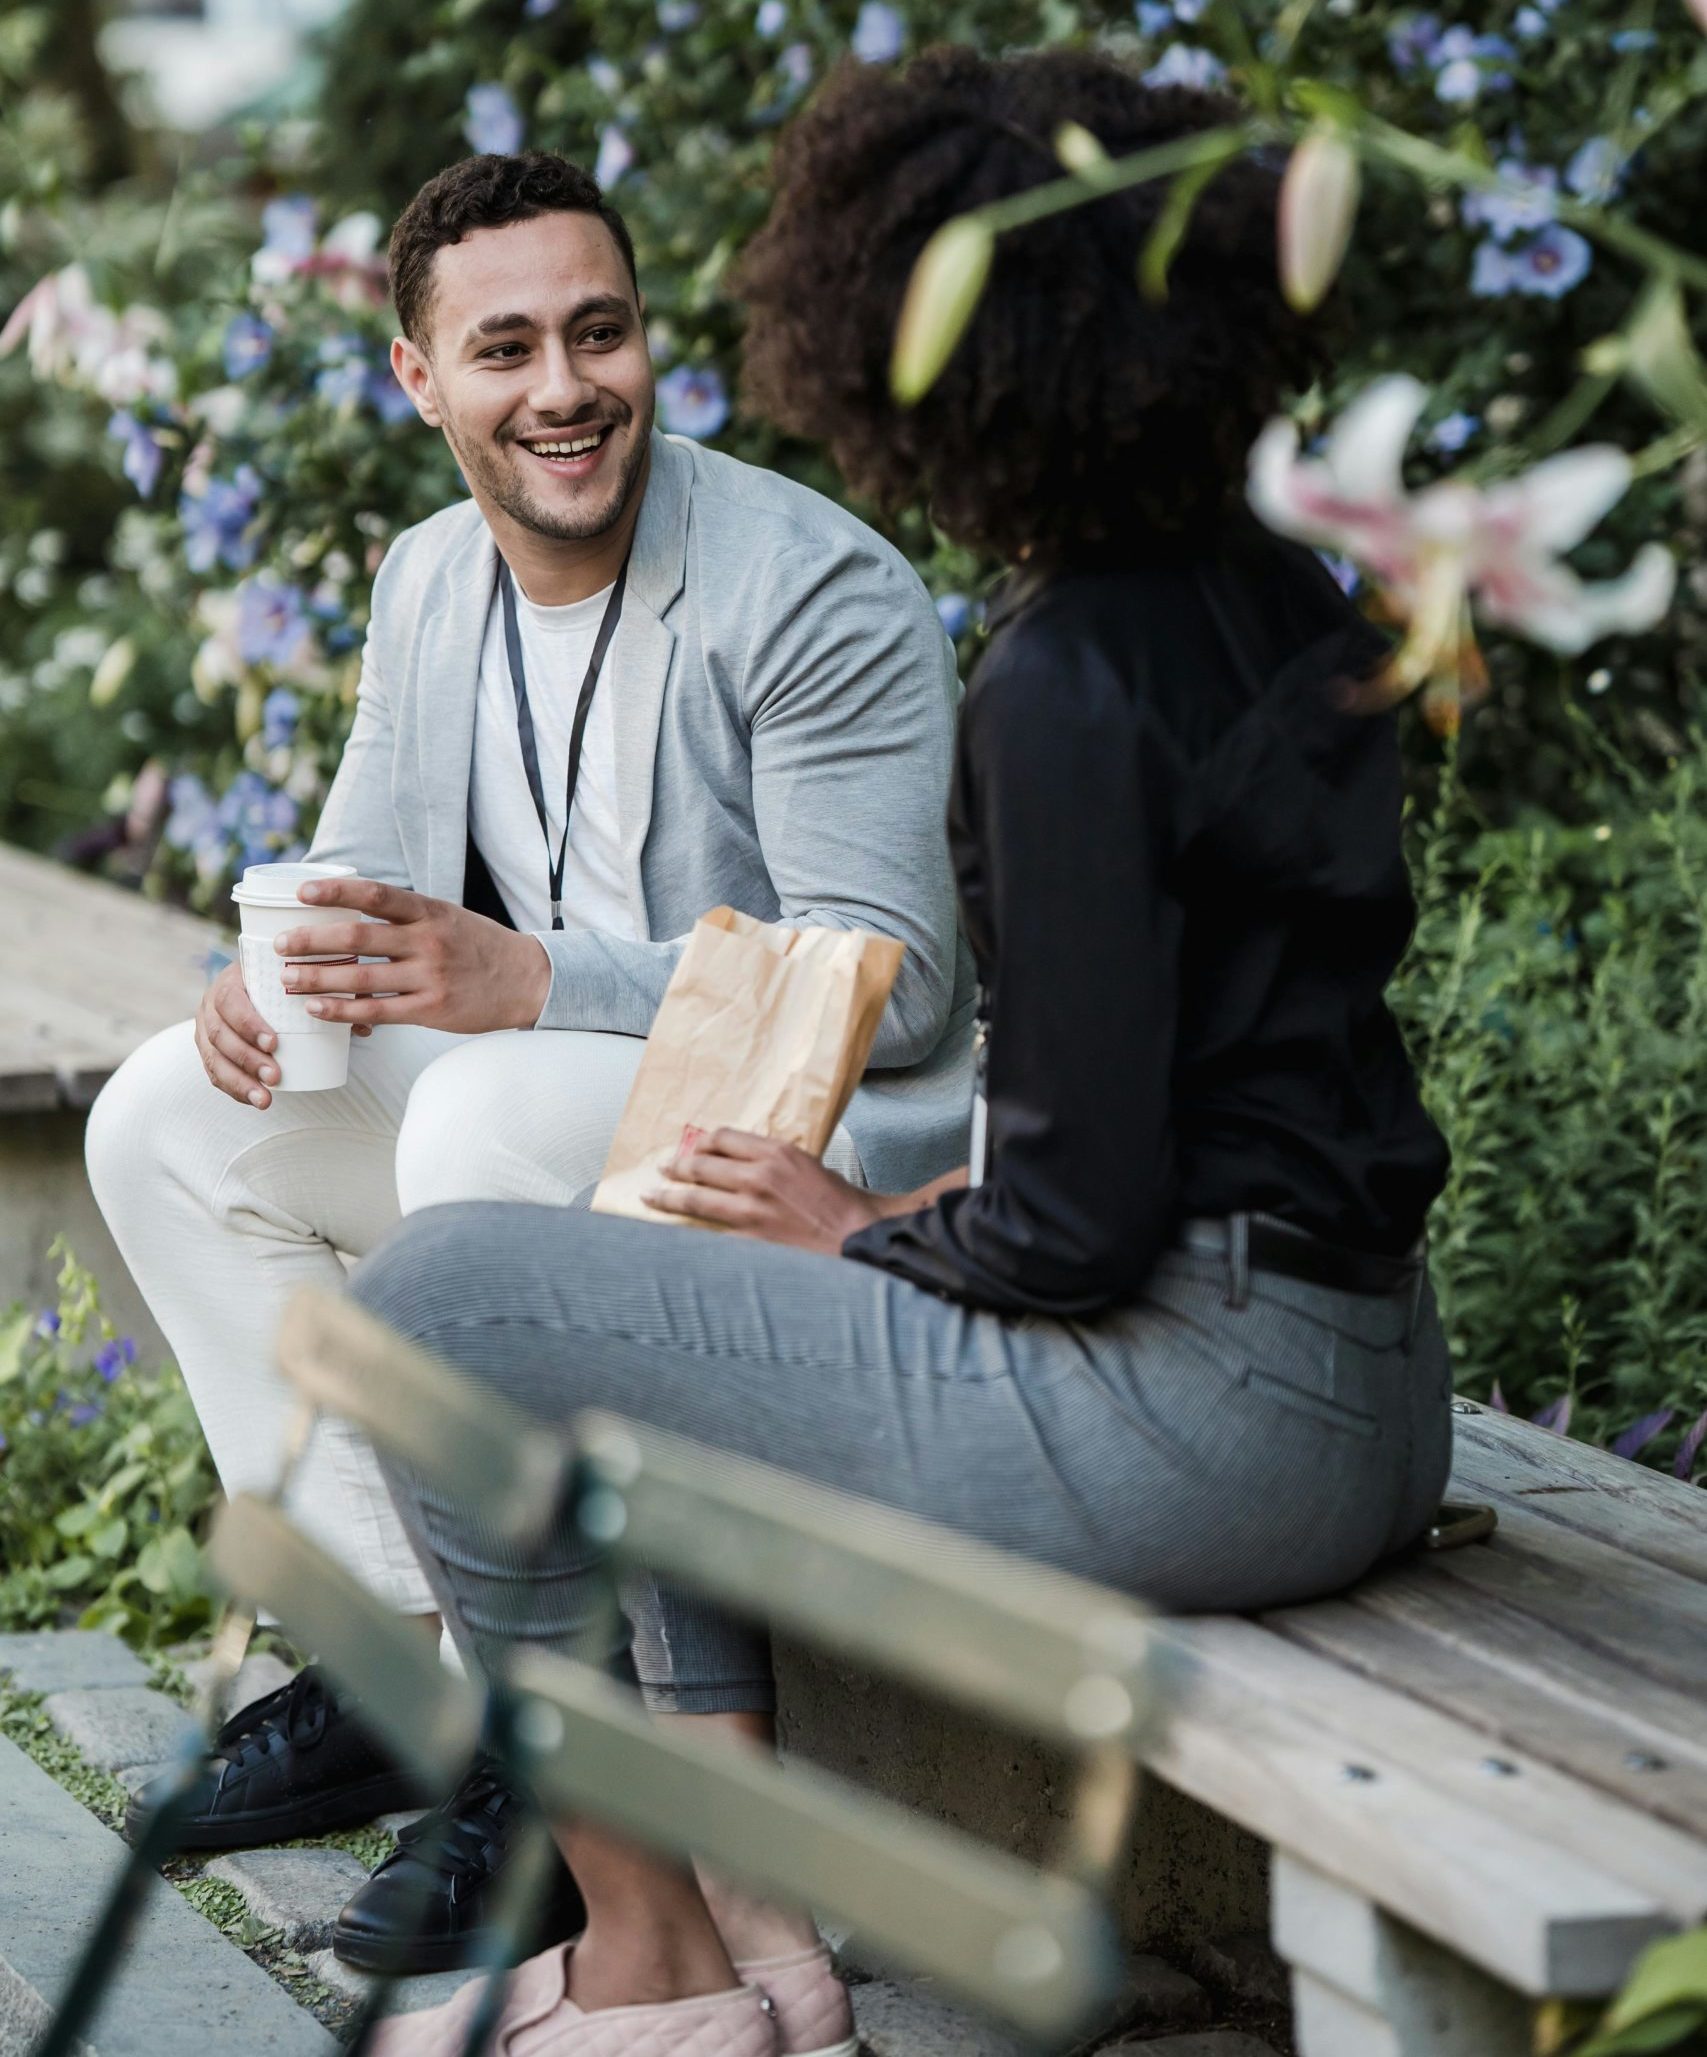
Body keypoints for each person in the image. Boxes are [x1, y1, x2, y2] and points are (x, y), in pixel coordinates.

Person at [348, 45, 1455, 2057]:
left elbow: (1069, 1230)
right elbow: (1193, 1101)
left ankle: (656, 1972)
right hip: (1371, 1388)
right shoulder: (1271, 587)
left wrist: (863, 1227)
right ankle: (752, 1945)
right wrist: (869, 1216)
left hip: (1204, 1431)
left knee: (440, 1305)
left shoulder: (1064, 674)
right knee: (663, 1253)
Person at [82, 149, 972, 1972]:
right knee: (164, 1114)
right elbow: (358, 868)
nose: (565, 387)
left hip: (814, 1138)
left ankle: (557, 1756)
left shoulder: (810, 589)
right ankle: (408, 1677)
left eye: (599, 332)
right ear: (421, 380)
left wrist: (531, 972)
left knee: (479, 1117)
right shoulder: (429, 578)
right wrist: (273, 977)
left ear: (648, 341)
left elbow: (897, 987)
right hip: (566, 1094)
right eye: (506, 349)